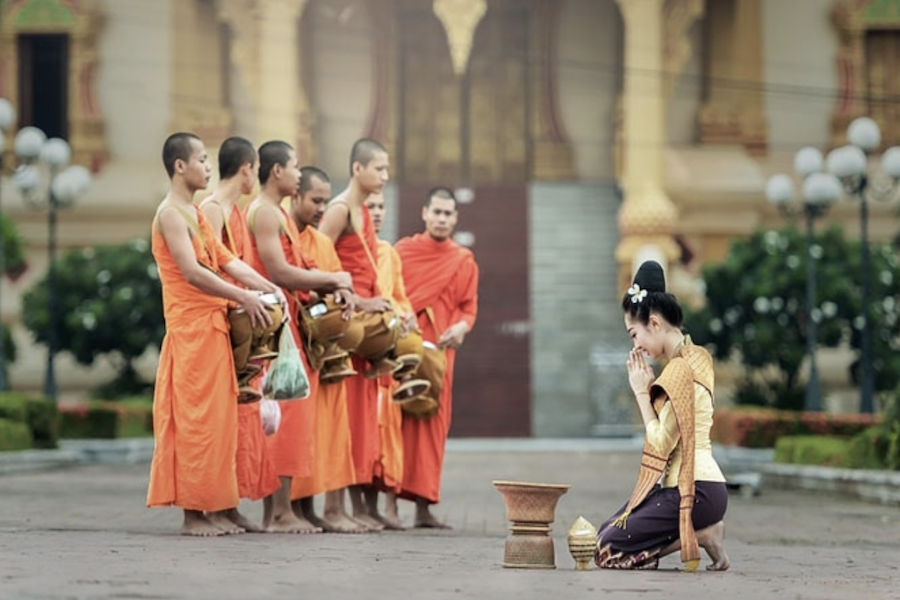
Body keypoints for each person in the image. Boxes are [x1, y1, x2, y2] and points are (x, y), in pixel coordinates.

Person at [147, 132, 285, 536]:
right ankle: (193, 514)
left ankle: (219, 506)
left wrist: (268, 288)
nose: (208, 167)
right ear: (179, 166)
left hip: (213, 327)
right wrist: (244, 296)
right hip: (190, 331)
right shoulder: (170, 213)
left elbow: (226, 261)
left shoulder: (193, 212)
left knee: (220, 423)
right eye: (202, 160)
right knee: (196, 422)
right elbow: (192, 272)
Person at [242, 140, 353, 533]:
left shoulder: (280, 216)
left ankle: (283, 511)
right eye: (294, 166)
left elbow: (299, 270)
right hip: (273, 332)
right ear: (276, 172)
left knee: (290, 419)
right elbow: (279, 272)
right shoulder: (264, 213)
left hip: (290, 328)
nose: (297, 172)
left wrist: (329, 290)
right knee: (281, 418)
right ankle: (278, 514)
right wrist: (332, 278)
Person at [593, 260, 730, 572]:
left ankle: (701, 535)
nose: (635, 345)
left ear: (654, 323)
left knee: (605, 548)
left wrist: (641, 391)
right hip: (698, 487)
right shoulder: (694, 357)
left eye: (634, 334)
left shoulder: (682, 369)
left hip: (695, 489)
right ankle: (700, 533)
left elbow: (661, 441)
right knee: (605, 530)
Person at [198, 136, 279, 533]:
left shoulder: (235, 211)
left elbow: (235, 263)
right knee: (217, 422)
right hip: (219, 323)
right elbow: (209, 269)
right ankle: (212, 506)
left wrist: (265, 291)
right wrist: (245, 298)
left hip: (239, 320)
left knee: (239, 422)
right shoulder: (210, 210)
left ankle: (229, 504)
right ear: (247, 168)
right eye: (256, 168)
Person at [319, 138, 394, 531]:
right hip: (343, 326)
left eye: (386, 169)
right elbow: (315, 262)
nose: (385, 175)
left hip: (363, 332)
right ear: (357, 169)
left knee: (357, 423)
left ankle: (343, 507)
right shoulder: (338, 210)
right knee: (338, 421)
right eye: (379, 168)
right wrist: (360, 303)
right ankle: (331, 509)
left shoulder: (362, 211)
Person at [287, 165, 367, 534]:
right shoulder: (283, 233)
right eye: (316, 201)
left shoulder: (319, 241)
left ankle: (318, 509)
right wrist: (329, 286)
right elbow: (283, 276)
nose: (322, 208)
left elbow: (338, 280)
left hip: (325, 348)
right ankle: (292, 509)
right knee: (296, 428)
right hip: (293, 345)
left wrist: (345, 297)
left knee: (328, 431)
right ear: (295, 196)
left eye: (325, 200)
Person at [395, 187, 478, 529]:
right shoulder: (403, 251)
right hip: (405, 350)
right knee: (397, 422)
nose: (442, 219)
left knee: (433, 426)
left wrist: (461, 328)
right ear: (424, 213)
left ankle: (424, 508)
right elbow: (391, 294)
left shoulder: (463, 260)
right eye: (437, 212)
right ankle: (387, 505)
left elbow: (468, 307)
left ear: (456, 218)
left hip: (441, 354)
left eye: (448, 214)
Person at [364, 191, 413, 530]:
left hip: (389, 350)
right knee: (368, 431)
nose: (377, 213)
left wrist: (406, 315)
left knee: (391, 431)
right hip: (365, 349)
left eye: (381, 207)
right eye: (370, 207)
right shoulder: (350, 249)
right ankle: (366, 506)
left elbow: (399, 296)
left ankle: (391, 507)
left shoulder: (388, 253)